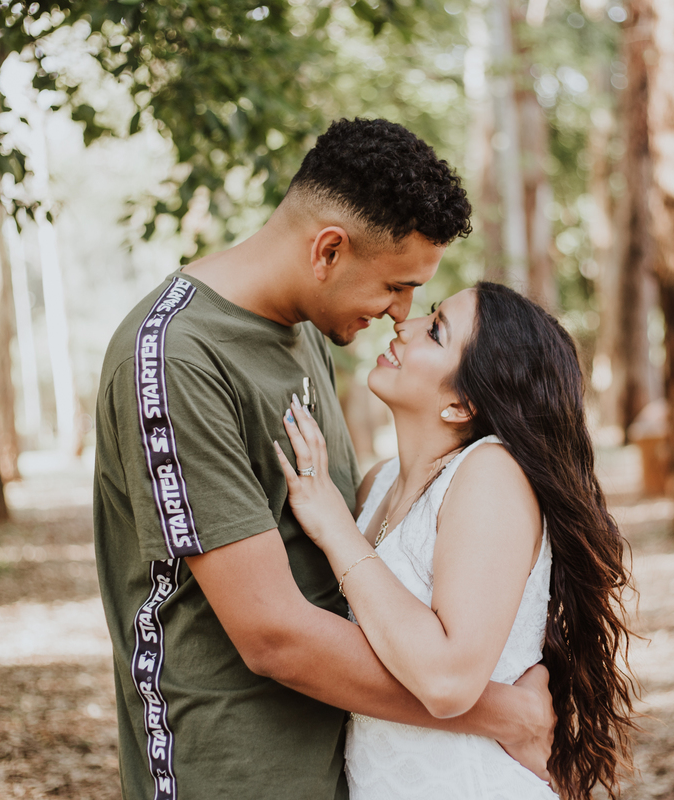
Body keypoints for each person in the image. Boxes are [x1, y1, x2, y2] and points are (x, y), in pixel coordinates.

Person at [92, 118, 554, 800]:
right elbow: (273, 634)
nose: (402, 313)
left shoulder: (304, 331)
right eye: (397, 286)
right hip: (232, 771)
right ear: (328, 250)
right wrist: (503, 712)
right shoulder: (177, 358)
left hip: (342, 768)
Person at [275, 282, 638, 800]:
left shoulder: (491, 474)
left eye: (436, 330)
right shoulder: (377, 483)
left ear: (461, 403)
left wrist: (332, 525)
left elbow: (448, 681)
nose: (405, 325)